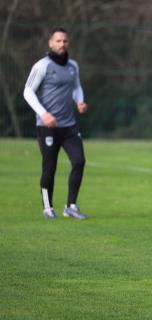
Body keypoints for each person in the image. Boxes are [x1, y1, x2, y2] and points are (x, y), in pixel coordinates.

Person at [23, 27, 88, 220]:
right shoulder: (42, 66)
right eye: (58, 41)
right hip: (47, 127)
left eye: (65, 41)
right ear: (50, 43)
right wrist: (44, 114)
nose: (62, 44)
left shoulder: (73, 66)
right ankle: (47, 207)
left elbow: (76, 87)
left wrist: (80, 101)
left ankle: (71, 206)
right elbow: (27, 91)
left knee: (79, 161)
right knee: (49, 167)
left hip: (69, 126)